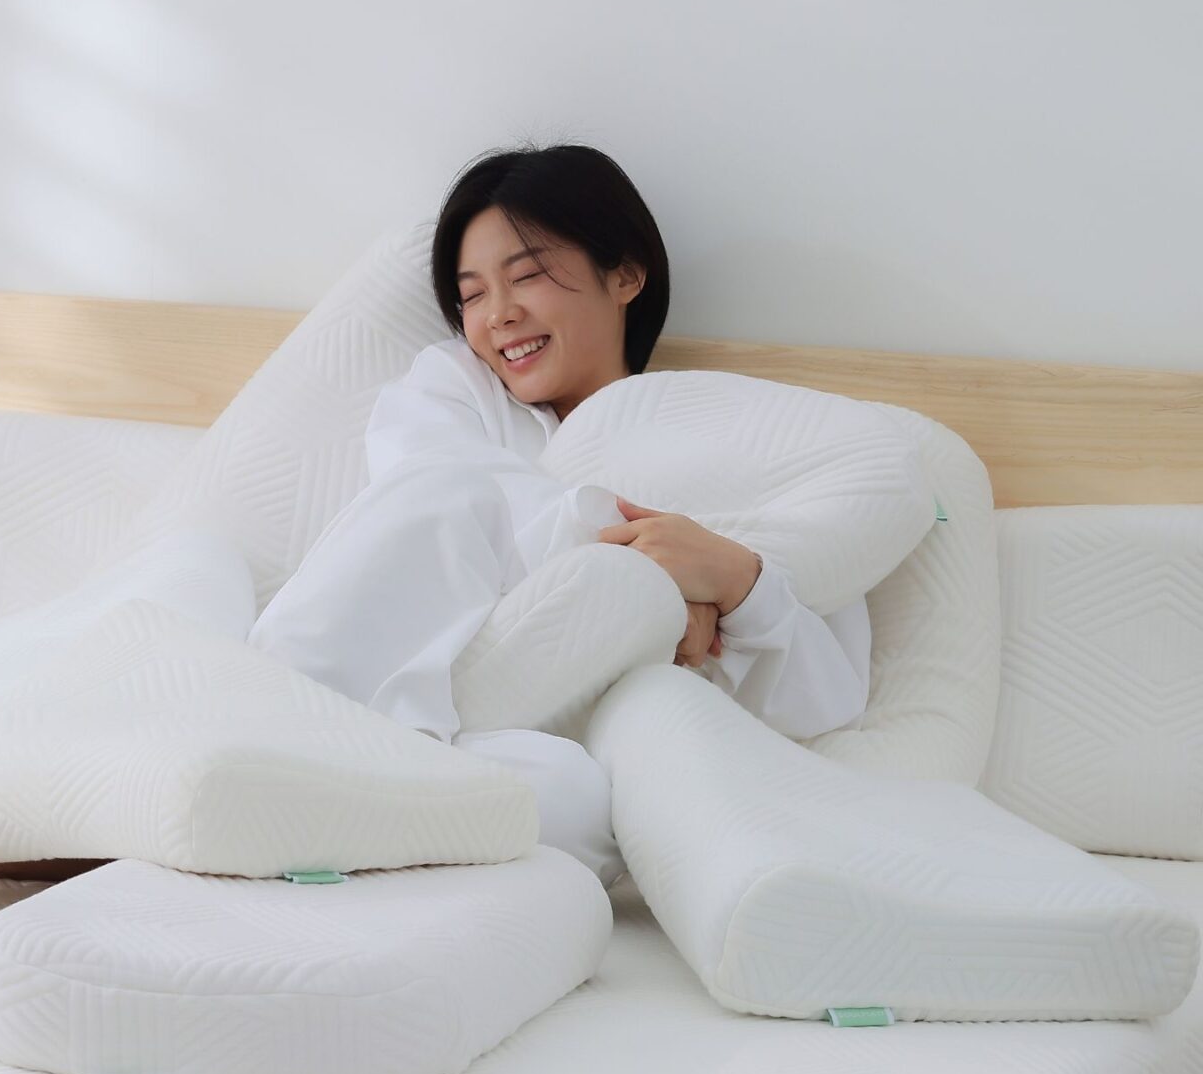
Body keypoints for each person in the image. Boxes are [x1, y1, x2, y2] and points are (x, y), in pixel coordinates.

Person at [246, 143, 871, 887]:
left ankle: (334, 812)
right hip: (376, 701)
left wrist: (735, 582)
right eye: (472, 295)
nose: (498, 315)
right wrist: (653, 574)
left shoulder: (724, 439)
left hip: (503, 744)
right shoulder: (455, 391)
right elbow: (425, 511)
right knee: (435, 496)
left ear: (626, 275)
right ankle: (275, 758)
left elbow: (824, 701)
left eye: (527, 276)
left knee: (581, 799)